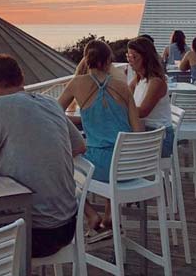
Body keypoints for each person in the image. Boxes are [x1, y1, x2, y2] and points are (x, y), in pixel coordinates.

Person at [0, 54, 86, 258]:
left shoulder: (1, 105)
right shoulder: (51, 103)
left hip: (33, 233)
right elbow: (79, 146)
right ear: (21, 79)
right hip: (67, 226)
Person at [58, 40, 142, 242]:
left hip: (99, 165)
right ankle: (110, 216)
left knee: (61, 167)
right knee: (109, 150)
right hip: (128, 163)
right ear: (108, 62)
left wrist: (81, 120)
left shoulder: (77, 83)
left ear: (87, 60)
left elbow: (54, 113)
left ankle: (90, 215)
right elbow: (137, 130)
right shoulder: (123, 87)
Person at [127, 37, 174, 159]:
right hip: (146, 132)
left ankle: (121, 175)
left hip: (158, 138)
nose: (130, 61)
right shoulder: (138, 80)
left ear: (145, 58)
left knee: (115, 147)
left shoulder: (156, 82)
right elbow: (123, 97)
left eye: (134, 57)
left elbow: (142, 112)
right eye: (129, 56)